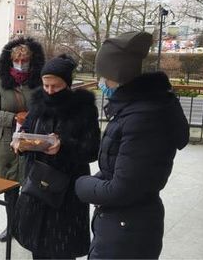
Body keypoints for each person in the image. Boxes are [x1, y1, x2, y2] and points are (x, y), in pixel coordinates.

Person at [75, 31, 190, 259]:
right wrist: (98, 179)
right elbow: (123, 169)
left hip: (126, 231)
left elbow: (122, 189)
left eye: (103, 77)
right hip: (125, 224)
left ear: (117, 76)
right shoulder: (138, 108)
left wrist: (80, 184)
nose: (100, 83)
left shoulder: (142, 118)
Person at [11, 55, 100, 259]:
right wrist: (20, 142)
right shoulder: (37, 103)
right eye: (46, 85)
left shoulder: (84, 109)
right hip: (37, 186)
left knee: (62, 249)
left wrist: (64, 146)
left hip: (66, 191)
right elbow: (26, 128)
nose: (50, 91)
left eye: (56, 86)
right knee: (38, 247)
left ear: (67, 84)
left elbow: (93, 149)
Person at [0, 37, 45, 242]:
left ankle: (26, 226)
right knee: (9, 188)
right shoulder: (0, 83)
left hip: (31, 143)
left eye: (25, 60)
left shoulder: (38, 83)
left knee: (30, 187)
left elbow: (46, 109)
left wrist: (32, 116)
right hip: (6, 144)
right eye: (17, 60)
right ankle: (11, 227)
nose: (21, 64)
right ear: (10, 61)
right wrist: (13, 117)